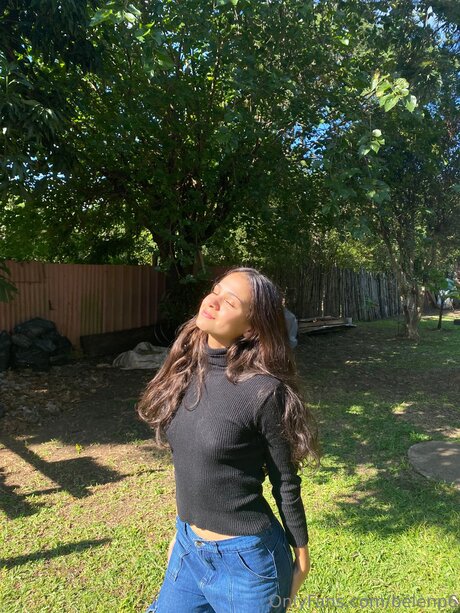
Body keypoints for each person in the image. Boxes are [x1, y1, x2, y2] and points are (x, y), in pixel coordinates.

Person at [137, 267, 321, 612]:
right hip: (188, 548)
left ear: (251, 328)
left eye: (231, 302)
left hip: (247, 562)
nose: (213, 301)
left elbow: (284, 480)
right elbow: (191, 464)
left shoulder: (264, 392)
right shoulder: (185, 371)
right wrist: (184, 530)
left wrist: (302, 554)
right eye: (216, 291)